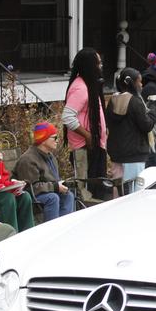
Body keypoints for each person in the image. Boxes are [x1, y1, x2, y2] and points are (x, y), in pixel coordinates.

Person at [63, 48, 108, 200]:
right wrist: (88, 136)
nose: (100, 66)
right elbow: (68, 117)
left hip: (95, 145)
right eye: (98, 63)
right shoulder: (80, 88)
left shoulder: (89, 85)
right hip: (84, 148)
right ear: (89, 65)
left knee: (98, 189)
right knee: (87, 192)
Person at [106, 68, 156, 194]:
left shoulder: (112, 101)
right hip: (135, 154)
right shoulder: (135, 102)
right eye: (139, 82)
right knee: (134, 191)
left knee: (118, 190)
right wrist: (153, 106)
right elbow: (147, 125)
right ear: (132, 83)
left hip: (116, 153)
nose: (141, 85)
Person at [14, 122, 75, 221]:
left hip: (46, 192)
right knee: (52, 198)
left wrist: (63, 185)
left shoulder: (50, 156)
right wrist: (55, 187)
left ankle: (64, 227)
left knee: (68, 195)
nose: (57, 141)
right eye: (54, 138)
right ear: (43, 140)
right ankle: (51, 230)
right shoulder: (28, 159)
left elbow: (54, 181)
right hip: (28, 197)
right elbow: (30, 188)